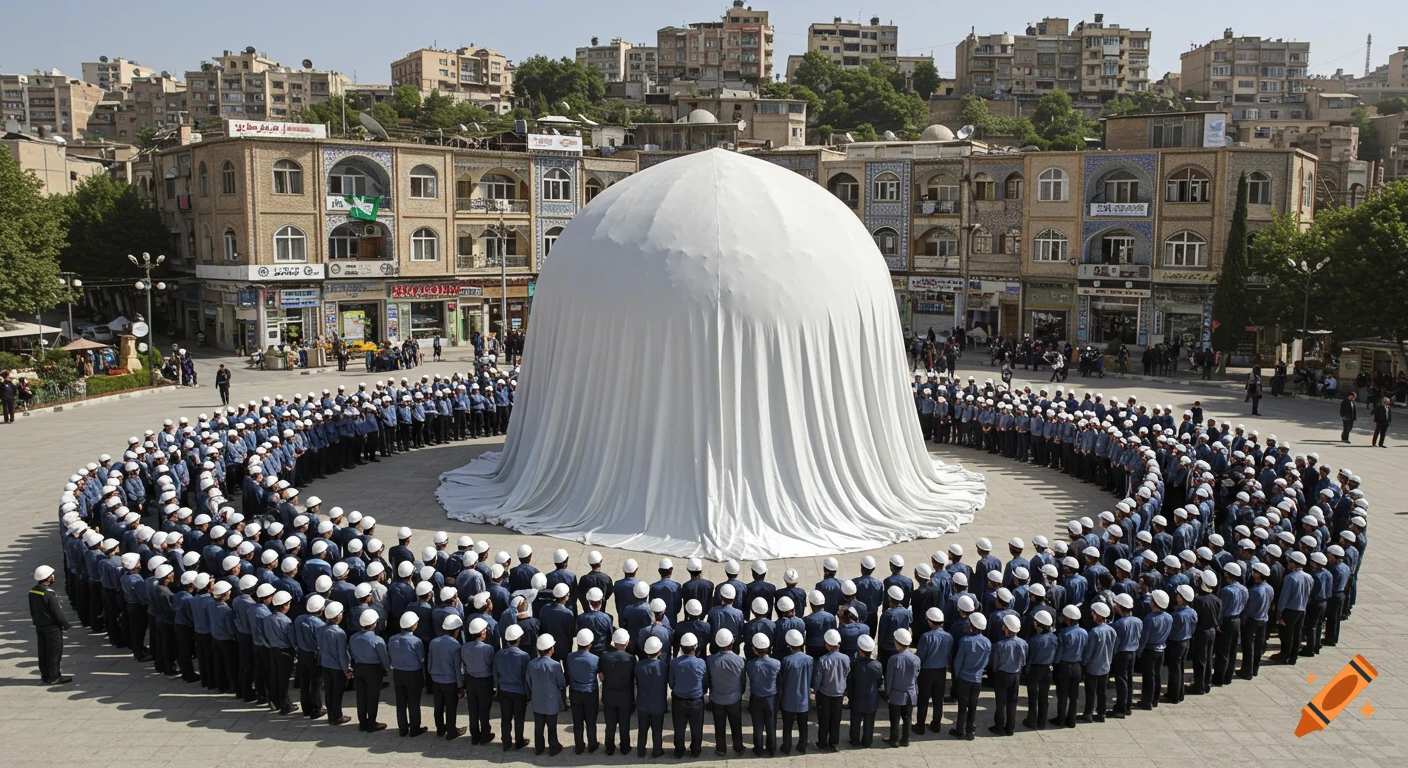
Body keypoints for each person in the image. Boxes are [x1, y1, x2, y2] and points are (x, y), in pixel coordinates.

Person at [705, 628, 746, 755]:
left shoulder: (710, 660)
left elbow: (708, 680)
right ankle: (738, 747)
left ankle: (721, 749)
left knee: (719, 726)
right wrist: (739, 693)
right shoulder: (740, 661)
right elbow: (743, 682)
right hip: (734, 698)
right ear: (732, 642)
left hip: (717, 698)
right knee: (736, 725)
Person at [29, 565, 72, 684]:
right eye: (51, 575)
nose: (53, 577)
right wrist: (65, 624)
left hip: (40, 625)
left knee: (43, 651)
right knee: (54, 652)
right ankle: (54, 676)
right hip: (52, 627)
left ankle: (45, 675)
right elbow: (56, 611)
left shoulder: (32, 591)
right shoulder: (49, 593)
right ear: (48, 578)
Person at [952, 613, 991, 740]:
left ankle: (960, 730)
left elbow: (958, 662)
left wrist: (957, 676)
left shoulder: (965, 641)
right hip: (977, 679)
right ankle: (970, 731)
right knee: (973, 705)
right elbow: (986, 661)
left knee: (962, 706)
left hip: (964, 678)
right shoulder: (987, 642)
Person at [526, 633, 567, 756]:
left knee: (538, 726)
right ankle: (554, 746)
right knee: (551, 725)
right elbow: (561, 683)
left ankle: (539, 748)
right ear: (551, 649)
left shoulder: (531, 664)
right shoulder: (555, 665)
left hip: (537, 700)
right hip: (551, 701)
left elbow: (529, 681)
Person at [349, 610, 390, 731]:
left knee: (361, 696)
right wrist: (387, 669)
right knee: (373, 696)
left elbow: (350, 652)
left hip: (358, 668)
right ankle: (372, 722)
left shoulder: (353, 637)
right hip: (373, 670)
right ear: (373, 624)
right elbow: (384, 658)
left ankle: (362, 722)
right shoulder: (377, 640)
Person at [389, 612, 428, 737]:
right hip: (413, 674)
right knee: (414, 702)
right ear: (414, 625)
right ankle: (415, 728)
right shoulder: (416, 641)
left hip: (398, 673)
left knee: (401, 702)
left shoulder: (392, 639)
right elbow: (421, 658)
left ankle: (403, 728)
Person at [669, 632, 707, 757]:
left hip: (679, 700)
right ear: (695, 647)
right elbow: (705, 682)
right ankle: (696, 750)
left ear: (681, 647)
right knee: (696, 728)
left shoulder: (674, 663)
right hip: (696, 700)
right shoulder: (701, 663)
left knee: (679, 728)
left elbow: (671, 683)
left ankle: (679, 751)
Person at [599, 628, 636, 755]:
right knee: (624, 724)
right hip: (625, 696)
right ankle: (625, 747)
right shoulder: (631, 658)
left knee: (610, 724)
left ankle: (609, 747)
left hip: (609, 695)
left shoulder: (604, 657)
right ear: (626, 643)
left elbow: (601, 675)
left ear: (614, 643)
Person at [812, 629, 850, 752]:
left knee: (824, 720)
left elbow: (818, 678)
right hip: (838, 693)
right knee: (836, 720)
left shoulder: (823, 660)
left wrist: (814, 690)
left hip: (824, 694)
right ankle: (834, 743)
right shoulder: (846, 658)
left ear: (827, 644)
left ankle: (822, 743)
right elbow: (846, 673)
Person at [990, 613, 1027, 736]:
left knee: (1001, 703)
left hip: (1002, 675)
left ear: (1005, 628)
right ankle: (1010, 728)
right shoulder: (1023, 643)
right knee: (1012, 702)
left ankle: (999, 727)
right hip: (1016, 674)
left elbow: (995, 662)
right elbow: (1024, 660)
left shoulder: (999, 645)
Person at [566, 629, 601, 754]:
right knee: (591, 721)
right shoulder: (595, 659)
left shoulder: (570, 657)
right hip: (590, 692)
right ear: (590, 644)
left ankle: (579, 746)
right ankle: (592, 744)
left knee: (577, 721)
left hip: (575, 692)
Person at [884, 627, 920, 747]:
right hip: (910, 693)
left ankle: (894, 739)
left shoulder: (894, 659)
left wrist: (887, 692)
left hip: (896, 694)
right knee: (907, 718)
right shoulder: (916, 659)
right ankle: (905, 739)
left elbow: (889, 679)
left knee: (894, 719)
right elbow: (916, 675)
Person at [745, 634, 780, 756]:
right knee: (771, 724)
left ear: (755, 650)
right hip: (771, 697)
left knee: (757, 725)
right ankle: (772, 748)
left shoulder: (750, 664)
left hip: (756, 697)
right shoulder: (776, 663)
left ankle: (758, 749)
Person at [635, 635, 668, 758]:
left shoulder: (638, 665)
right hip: (658, 704)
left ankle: (641, 750)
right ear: (659, 651)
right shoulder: (663, 666)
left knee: (642, 729)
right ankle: (657, 750)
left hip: (642, 703)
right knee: (657, 730)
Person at [846, 634, 882, 747]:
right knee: (869, 721)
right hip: (872, 698)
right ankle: (867, 741)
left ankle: (854, 740)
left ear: (859, 649)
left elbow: (850, 683)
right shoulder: (877, 665)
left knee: (855, 721)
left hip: (857, 697)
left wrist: (850, 697)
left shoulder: (855, 665)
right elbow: (879, 682)